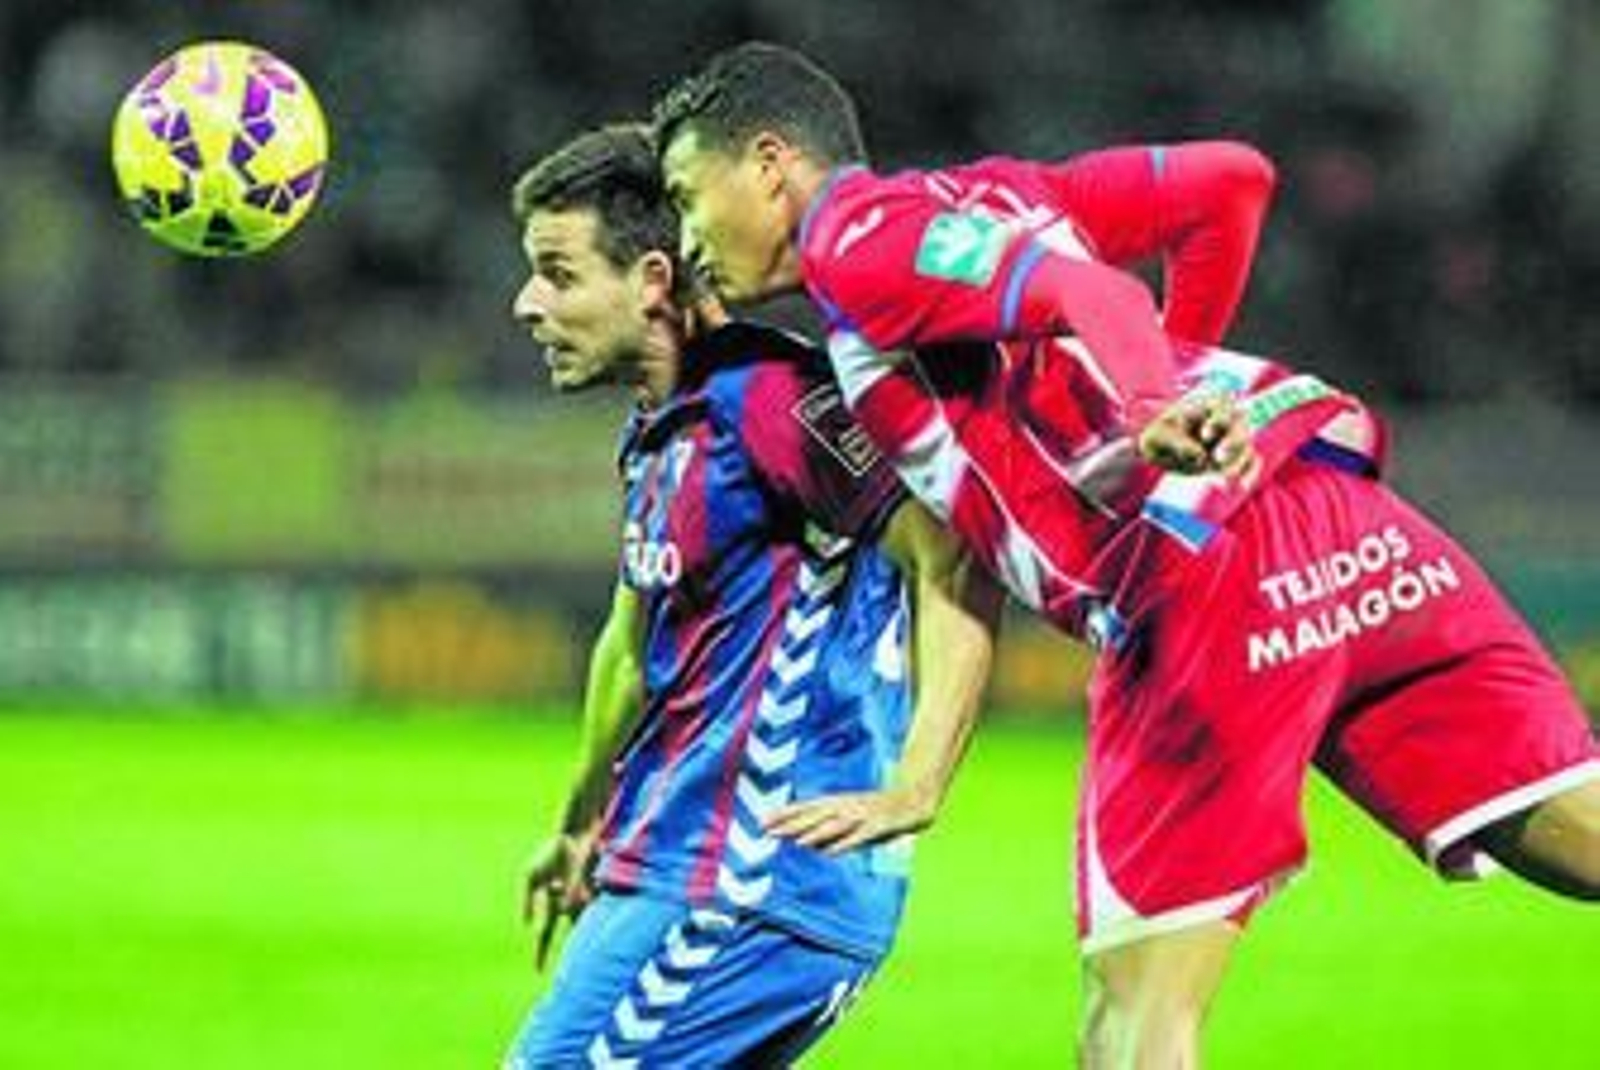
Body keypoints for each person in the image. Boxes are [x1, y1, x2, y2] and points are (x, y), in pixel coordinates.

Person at [652, 41, 1600, 1067]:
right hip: (1349, 527)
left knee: (1133, 1014)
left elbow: (1095, 297)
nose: (687, 241)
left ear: (770, 163)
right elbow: (1230, 181)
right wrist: (1178, 400)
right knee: (1569, 828)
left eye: (687, 197)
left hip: (1206, 587)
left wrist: (1153, 407)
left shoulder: (854, 243)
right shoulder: (1002, 194)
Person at [499, 122, 1004, 1068]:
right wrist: (580, 823)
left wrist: (919, 783)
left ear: (653, 281)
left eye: (558, 274)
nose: (527, 303)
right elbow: (629, 646)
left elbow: (951, 553)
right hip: (685, 869)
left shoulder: (771, 399)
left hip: (752, 883)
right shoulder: (660, 428)